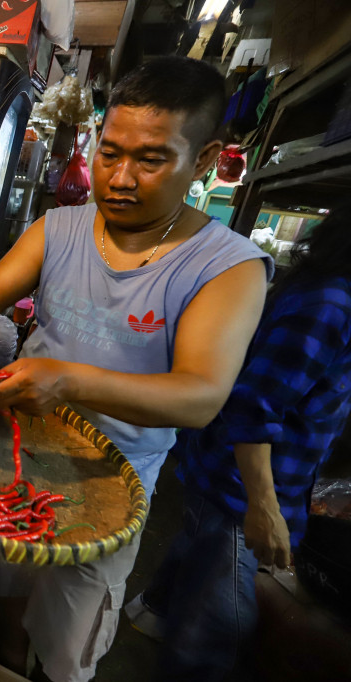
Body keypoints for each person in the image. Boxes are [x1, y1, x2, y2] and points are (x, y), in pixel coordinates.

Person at [0, 55, 273, 682]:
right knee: (4, 577)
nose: (118, 178)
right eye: (108, 152)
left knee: (72, 631)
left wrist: (65, 380)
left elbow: (200, 397)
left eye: (150, 159)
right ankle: (10, 660)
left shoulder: (228, 267)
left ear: (203, 160)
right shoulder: (60, 227)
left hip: (112, 476)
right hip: (20, 446)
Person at [124, 204, 351, 681]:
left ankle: (153, 613)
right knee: (218, 621)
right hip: (240, 485)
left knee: (202, 554)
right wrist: (264, 508)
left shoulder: (326, 291)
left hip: (235, 476)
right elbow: (254, 405)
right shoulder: (332, 304)